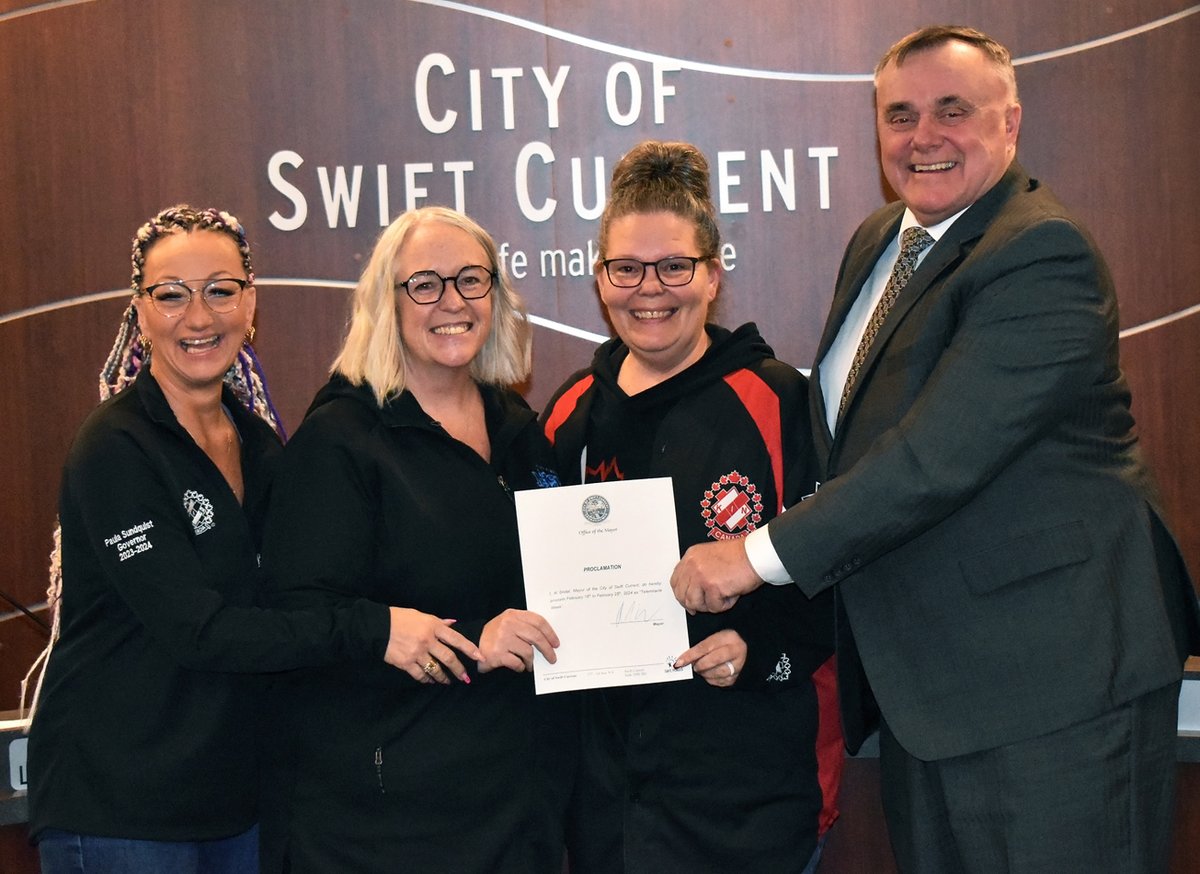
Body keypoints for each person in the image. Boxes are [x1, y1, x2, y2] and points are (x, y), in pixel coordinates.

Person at [671, 26, 1200, 874]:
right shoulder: (881, 240)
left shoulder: (1038, 252)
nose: (924, 136)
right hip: (933, 693)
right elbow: (845, 448)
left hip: (1055, 688)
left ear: (1011, 122)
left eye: (953, 111)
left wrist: (755, 558)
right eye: (900, 114)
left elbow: (937, 457)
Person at [25, 206, 466, 873]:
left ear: (250, 303)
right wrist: (375, 631)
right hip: (122, 809)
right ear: (139, 311)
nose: (199, 318)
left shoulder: (261, 447)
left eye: (221, 291)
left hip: (237, 805)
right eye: (171, 295)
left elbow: (298, 598)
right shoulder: (116, 449)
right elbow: (199, 631)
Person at [541, 140, 839, 874]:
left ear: (713, 275)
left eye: (675, 266)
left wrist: (757, 647)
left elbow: (843, 575)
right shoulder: (568, 417)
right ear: (599, 277)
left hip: (748, 804)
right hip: (608, 809)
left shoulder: (779, 403)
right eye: (627, 269)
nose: (651, 289)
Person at [257, 206, 574, 873]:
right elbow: (297, 620)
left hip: (514, 805)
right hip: (387, 824)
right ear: (386, 304)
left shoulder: (517, 428)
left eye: (470, 280)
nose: (451, 302)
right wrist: (466, 640)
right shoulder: (341, 440)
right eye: (425, 284)